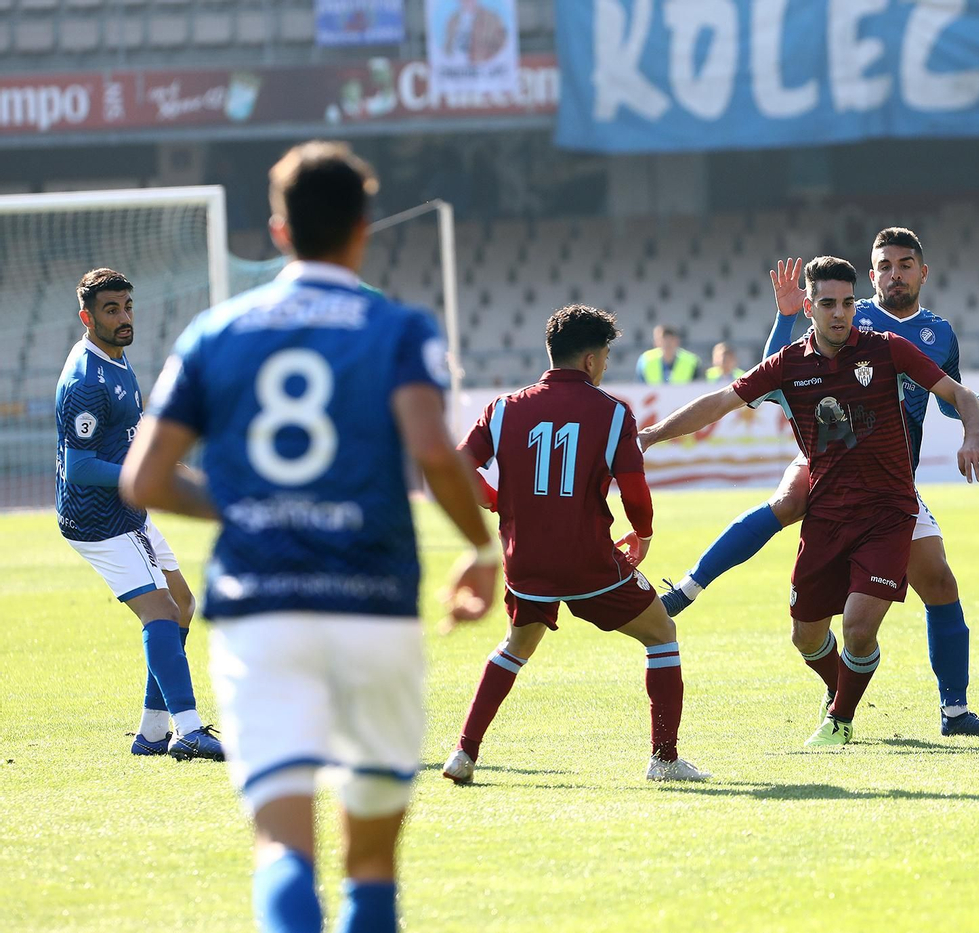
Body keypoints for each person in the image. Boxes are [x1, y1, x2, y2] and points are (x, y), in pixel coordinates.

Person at [121, 141, 497, 933]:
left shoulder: (215, 331)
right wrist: (483, 548)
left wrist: (249, 504)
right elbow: (433, 449)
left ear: (278, 230)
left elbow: (144, 480)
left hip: (261, 609)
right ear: (364, 228)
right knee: (370, 860)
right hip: (375, 605)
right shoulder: (398, 327)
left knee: (283, 846)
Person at [658, 228, 979, 737]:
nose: (894, 274)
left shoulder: (936, 334)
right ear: (871, 275)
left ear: (922, 272)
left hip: (889, 477)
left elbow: (952, 404)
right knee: (790, 498)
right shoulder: (849, 313)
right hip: (827, 461)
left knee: (938, 581)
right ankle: (691, 586)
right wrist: (785, 313)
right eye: (884, 266)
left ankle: (952, 712)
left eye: (904, 265)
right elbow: (776, 373)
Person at [441, 303, 711, 785]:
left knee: (515, 647)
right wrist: (643, 535)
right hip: (588, 561)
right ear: (590, 360)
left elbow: (458, 468)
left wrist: (499, 502)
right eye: (605, 356)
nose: (606, 365)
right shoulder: (612, 413)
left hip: (525, 561)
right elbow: (634, 491)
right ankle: (665, 760)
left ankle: (464, 754)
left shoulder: (502, 409)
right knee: (661, 633)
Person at [54, 268, 223, 762]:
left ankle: (152, 734)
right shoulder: (84, 381)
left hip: (128, 508)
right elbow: (80, 467)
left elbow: (131, 433)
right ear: (88, 317)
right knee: (162, 613)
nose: (124, 318)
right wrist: (150, 478)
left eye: (127, 306)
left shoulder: (116, 359)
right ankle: (189, 730)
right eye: (111, 310)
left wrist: (163, 463)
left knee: (182, 605)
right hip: (98, 520)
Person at [636, 324, 701, 384]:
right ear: (656, 342)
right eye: (664, 340)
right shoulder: (645, 360)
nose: (667, 343)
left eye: (670, 340)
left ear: (677, 341)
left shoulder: (691, 361)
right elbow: (640, 387)